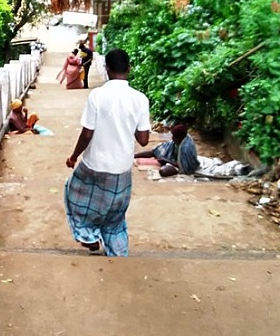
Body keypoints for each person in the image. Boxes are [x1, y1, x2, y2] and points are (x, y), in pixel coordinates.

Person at [63, 49, 151, 256]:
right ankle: (118, 253)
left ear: (107, 69)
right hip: (121, 169)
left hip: (94, 165)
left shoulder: (97, 95)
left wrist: (73, 157)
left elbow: (87, 134)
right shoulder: (140, 99)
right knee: (115, 216)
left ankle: (89, 237)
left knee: (75, 196)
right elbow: (144, 140)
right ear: (129, 68)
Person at [134, 123, 200, 177]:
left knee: (163, 171)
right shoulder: (175, 142)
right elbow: (155, 151)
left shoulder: (186, 148)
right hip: (173, 158)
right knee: (156, 151)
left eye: (174, 136)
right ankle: (133, 155)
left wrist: (165, 160)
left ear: (180, 138)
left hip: (181, 166)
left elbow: (183, 167)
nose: (172, 138)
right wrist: (134, 156)